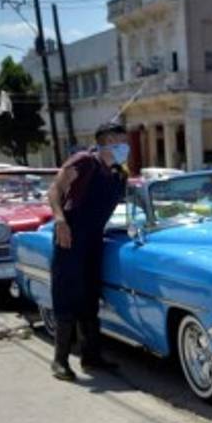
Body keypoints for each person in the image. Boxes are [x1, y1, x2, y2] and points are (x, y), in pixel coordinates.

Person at [46, 122, 130, 381]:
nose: (124, 147)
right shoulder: (84, 162)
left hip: (94, 239)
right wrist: (60, 220)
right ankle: (60, 360)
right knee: (66, 295)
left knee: (90, 296)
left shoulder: (118, 173)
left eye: (125, 141)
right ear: (107, 142)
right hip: (70, 236)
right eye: (120, 141)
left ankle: (91, 357)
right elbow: (55, 189)